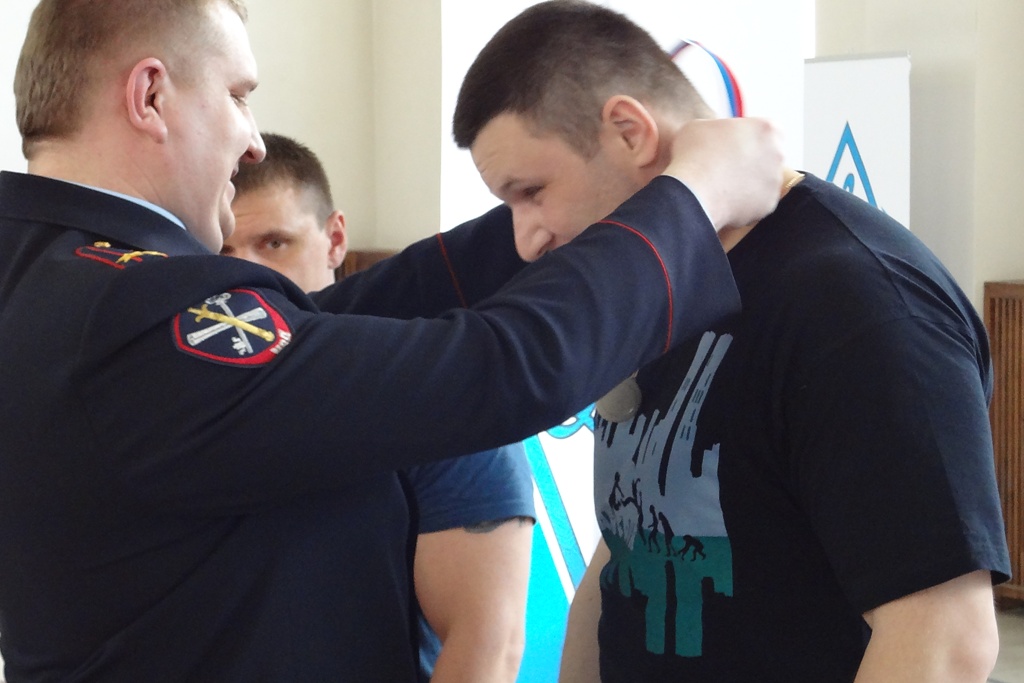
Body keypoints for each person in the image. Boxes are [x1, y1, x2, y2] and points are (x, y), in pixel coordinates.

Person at [0, 0, 786, 680]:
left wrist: (571, 201)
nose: (253, 142)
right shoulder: (132, 318)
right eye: (237, 96)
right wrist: (693, 197)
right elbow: (500, 368)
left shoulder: (50, 279)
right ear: (150, 96)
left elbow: (336, 325)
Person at [451, 2, 1012, 681]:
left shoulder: (858, 304)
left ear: (629, 132)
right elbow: (632, 539)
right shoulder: (661, 290)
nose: (526, 239)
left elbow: (945, 640)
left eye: (532, 192)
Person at [221, 132, 536, 682]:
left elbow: (488, 647)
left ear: (335, 239)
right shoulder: (186, 392)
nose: (250, 276)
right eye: (222, 253)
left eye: (274, 243)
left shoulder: (427, 391)